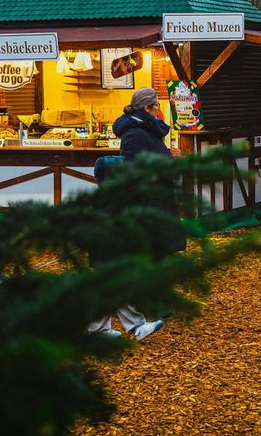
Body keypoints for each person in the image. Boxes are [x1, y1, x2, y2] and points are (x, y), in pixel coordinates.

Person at [88, 87, 173, 341]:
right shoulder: (134, 138)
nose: (159, 110)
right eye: (156, 106)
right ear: (146, 108)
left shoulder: (112, 187)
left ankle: (116, 327)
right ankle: (115, 328)